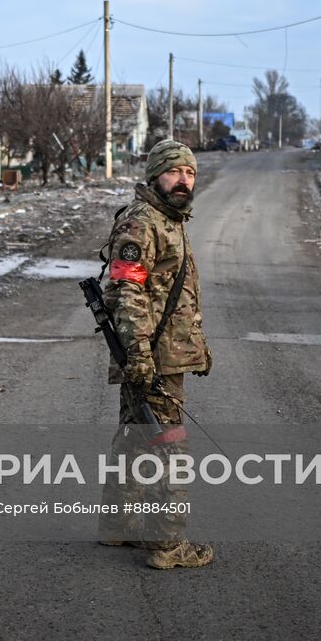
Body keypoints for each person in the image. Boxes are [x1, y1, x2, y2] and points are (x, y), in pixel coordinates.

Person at [96, 138, 214, 569]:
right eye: (174, 171)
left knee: (133, 439)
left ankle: (118, 525)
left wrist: (197, 348)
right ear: (154, 175)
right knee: (170, 449)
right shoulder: (142, 222)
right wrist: (140, 354)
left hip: (163, 353)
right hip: (151, 357)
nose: (183, 180)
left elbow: (172, 294)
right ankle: (168, 543)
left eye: (189, 173)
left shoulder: (169, 219)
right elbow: (127, 290)